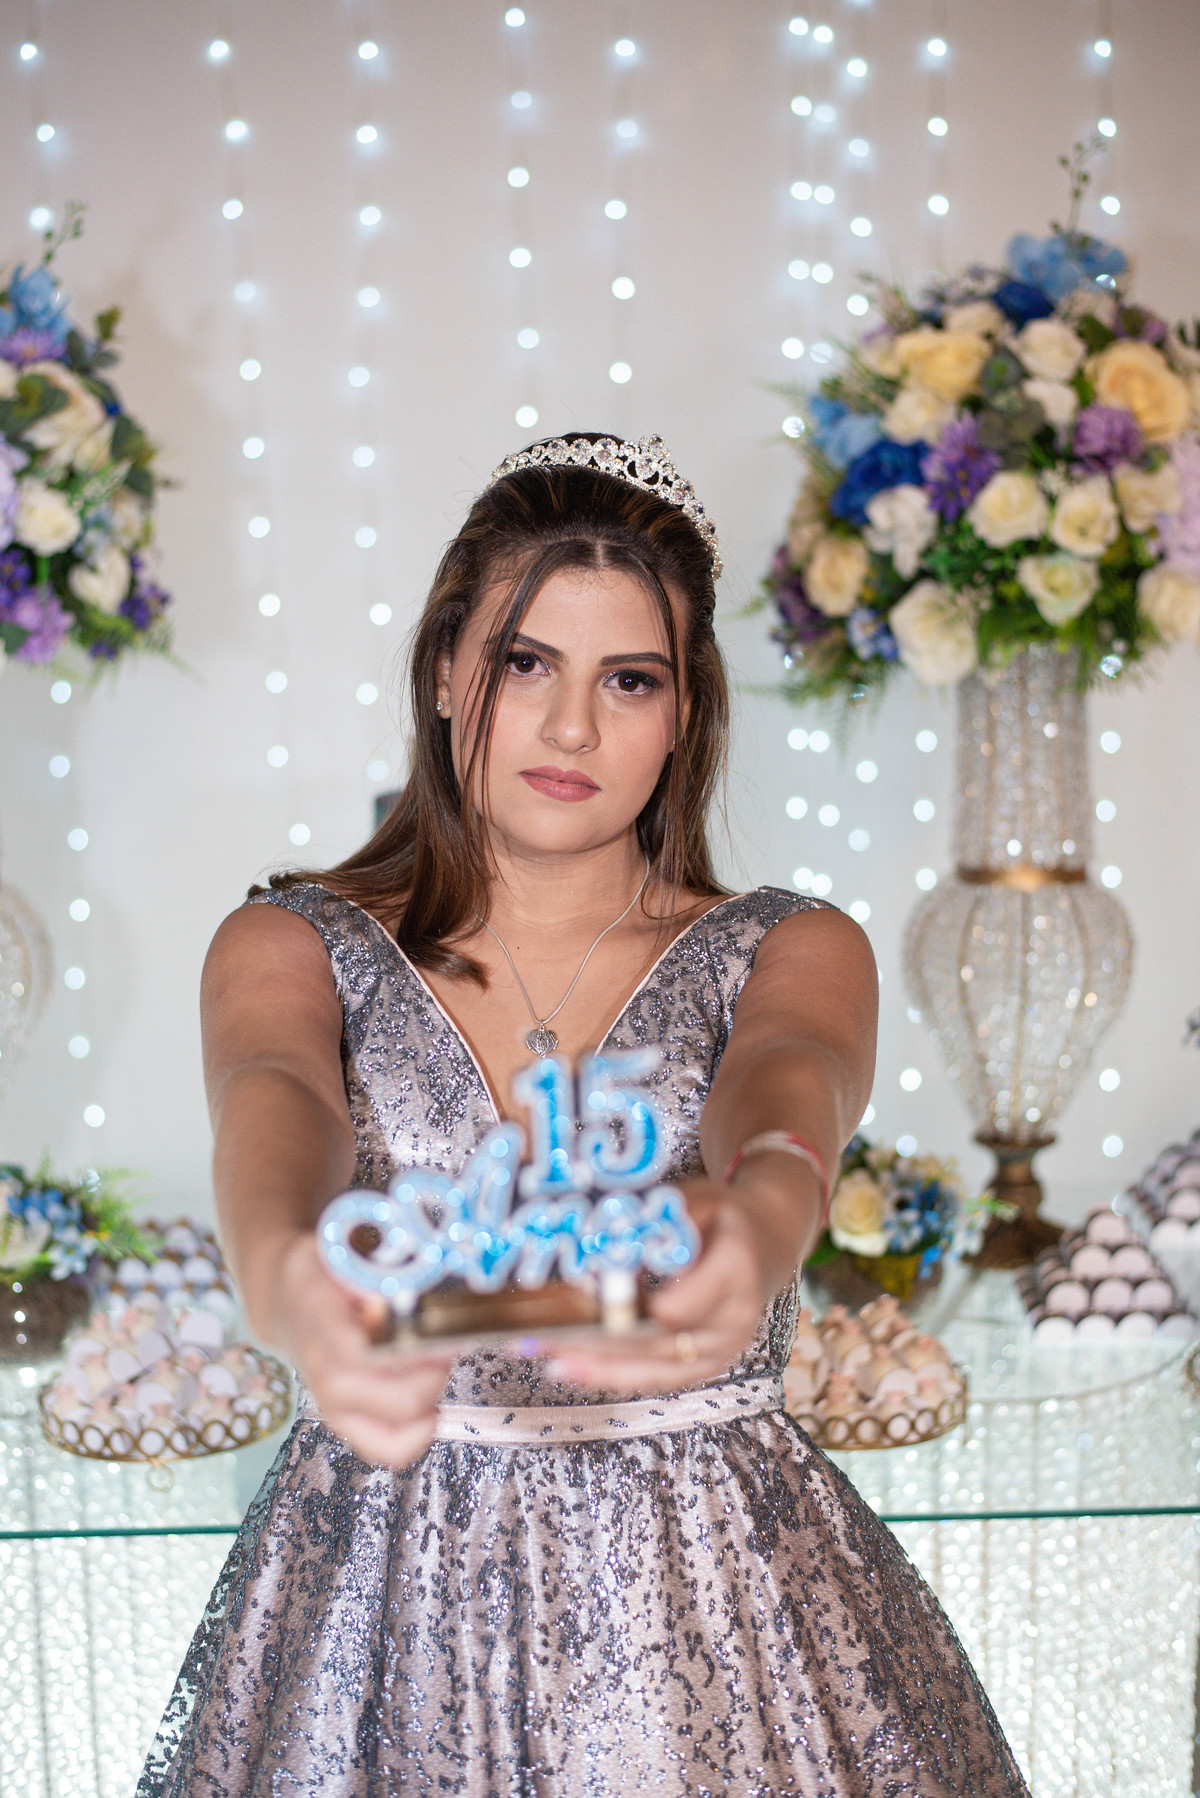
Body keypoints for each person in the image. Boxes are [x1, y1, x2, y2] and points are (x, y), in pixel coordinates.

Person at [137, 433, 1028, 1797]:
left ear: (685, 712)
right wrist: (284, 1276)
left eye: (628, 679)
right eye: (524, 662)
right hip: (378, 1614)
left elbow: (792, 1076)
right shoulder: (290, 941)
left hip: (721, 1617)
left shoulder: (789, 944)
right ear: (447, 670)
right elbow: (276, 1096)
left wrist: (765, 1213)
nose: (570, 729)